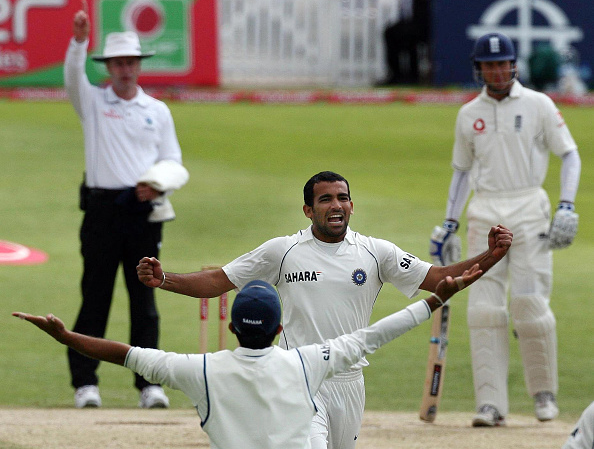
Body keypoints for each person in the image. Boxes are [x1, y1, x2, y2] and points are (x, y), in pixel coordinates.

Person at [137, 171, 513, 448]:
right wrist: (164, 279)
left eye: (342, 198)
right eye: (326, 199)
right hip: (299, 374)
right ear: (308, 209)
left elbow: (440, 279)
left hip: (349, 379)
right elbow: (220, 281)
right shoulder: (282, 250)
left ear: (352, 205)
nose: (336, 206)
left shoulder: (375, 251)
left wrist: (491, 256)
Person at [14, 266, 482, 449]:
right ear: (281, 331)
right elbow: (375, 334)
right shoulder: (306, 360)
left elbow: (126, 354)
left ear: (233, 327)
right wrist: (435, 300)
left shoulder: (200, 369)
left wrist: (66, 337)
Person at [429, 32, 581, 427]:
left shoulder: (538, 104)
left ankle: (544, 395)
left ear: (513, 64)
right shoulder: (468, 114)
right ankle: (490, 405)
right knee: (483, 310)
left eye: (503, 63)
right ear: (478, 68)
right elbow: (461, 172)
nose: (497, 71)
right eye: (489, 64)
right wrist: (449, 222)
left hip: (530, 208)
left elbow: (570, 154)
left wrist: (566, 205)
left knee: (529, 305)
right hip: (485, 213)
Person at [64, 1, 189, 409]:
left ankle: (148, 383)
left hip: (142, 215)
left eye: (131, 62)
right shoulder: (94, 104)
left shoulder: (156, 110)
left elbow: (174, 161)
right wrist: (79, 42)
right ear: (108, 66)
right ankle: (86, 383)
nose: (125, 69)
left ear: (140, 64)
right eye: (117, 63)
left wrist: (157, 185)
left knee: (144, 299)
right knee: (95, 297)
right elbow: (71, 78)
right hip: (101, 212)